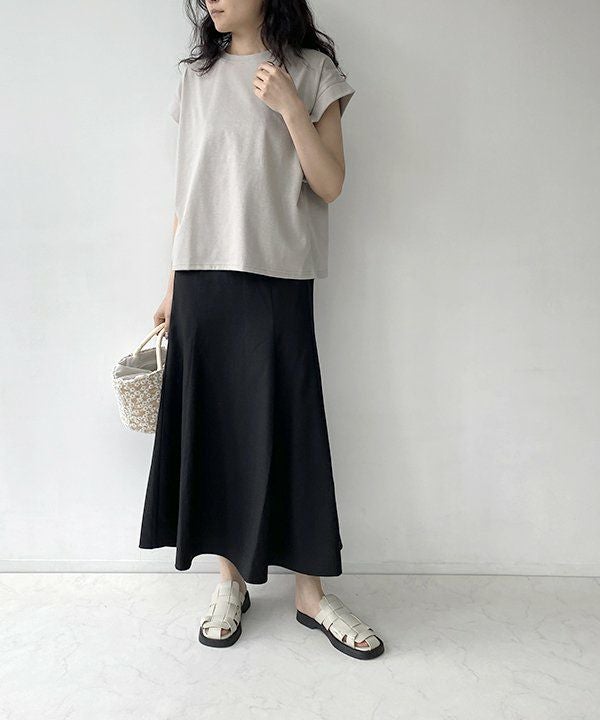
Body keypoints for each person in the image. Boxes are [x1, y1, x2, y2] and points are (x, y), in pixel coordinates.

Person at [138, 0, 384, 660]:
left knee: (293, 427)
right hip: (202, 278)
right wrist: (170, 287)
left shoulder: (311, 72)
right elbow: (188, 192)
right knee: (220, 427)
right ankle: (230, 582)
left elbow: (329, 184)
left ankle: (311, 594)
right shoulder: (196, 77)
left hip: (278, 276)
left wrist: (290, 107)